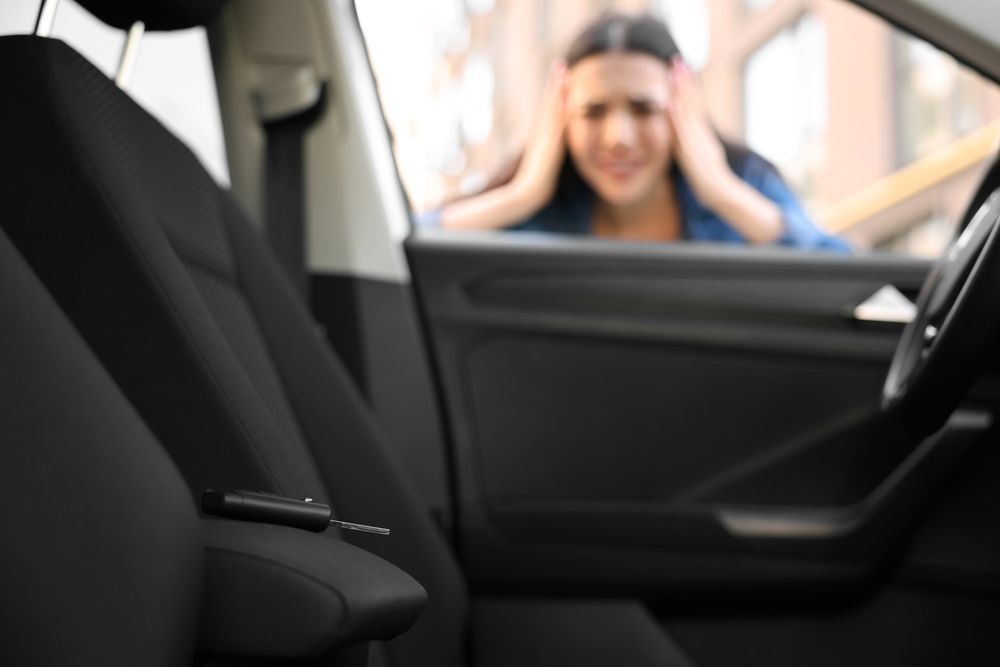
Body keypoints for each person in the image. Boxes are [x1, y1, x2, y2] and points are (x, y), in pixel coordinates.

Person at [428, 13, 849, 252]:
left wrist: (722, 191)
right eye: (593, 111)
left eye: (644, 108)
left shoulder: (744, 185)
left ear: (682, 108)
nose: (619, 137)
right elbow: (390, 250)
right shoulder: (536, 213)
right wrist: (522, 195)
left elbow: (847, 280)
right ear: (559, 118)